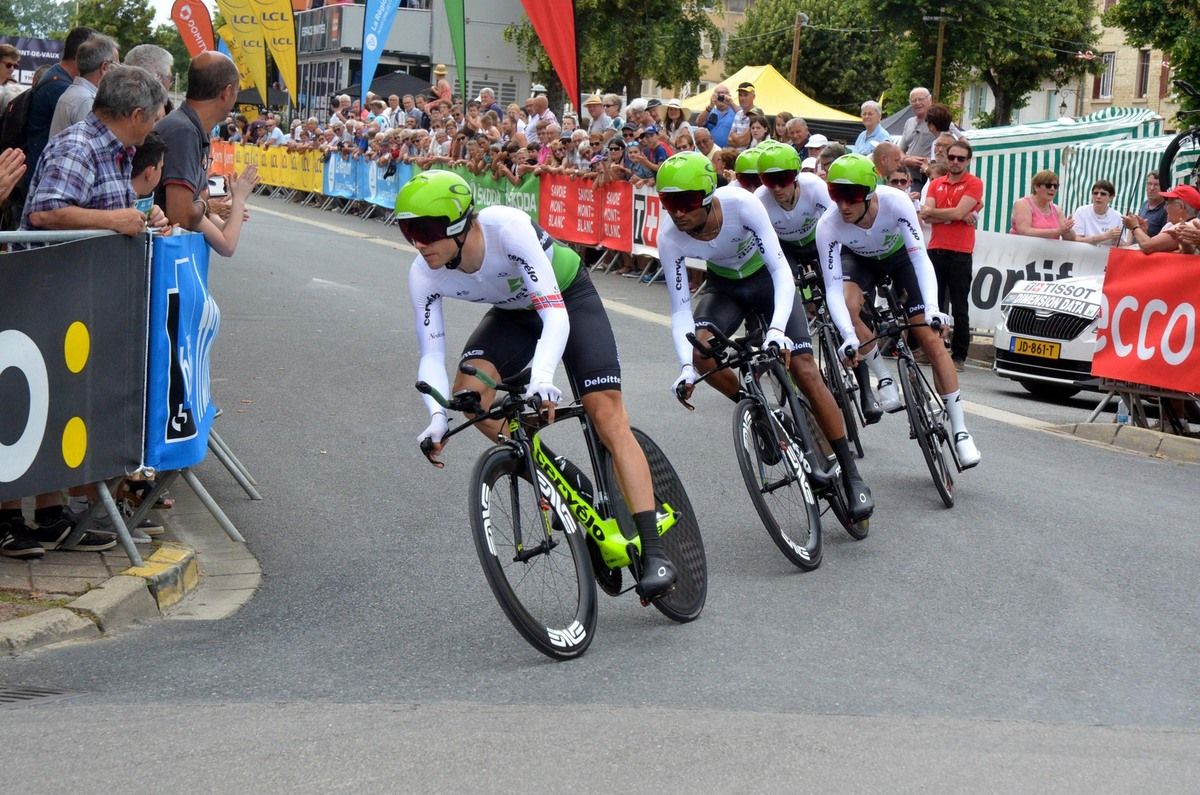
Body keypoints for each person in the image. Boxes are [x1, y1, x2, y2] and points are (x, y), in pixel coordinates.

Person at [395, 170, 678, 598]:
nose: (418, 243)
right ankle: (557, 476)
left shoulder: (507, 228)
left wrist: (543, 379)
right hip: (514, 315)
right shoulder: (424, 273)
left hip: (566, 298)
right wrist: (436, 418)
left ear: (458, 223)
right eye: (407, 231)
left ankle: (654, 552)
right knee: (471, 398)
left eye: (426, 231)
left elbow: (555, 314)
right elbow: (431, 355)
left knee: (606, 414)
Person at [654, 152, 874, 520]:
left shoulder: (743, 205)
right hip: (725, 288)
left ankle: (851, 474)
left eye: (686, 202)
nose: (677, 213)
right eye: (668, 203)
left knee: (804, 369)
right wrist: (684, 369)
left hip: (769, 281)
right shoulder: (670, 236)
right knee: (699, 352)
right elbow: (679, 311)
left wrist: (777, 330)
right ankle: (757, 411)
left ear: (708, 196)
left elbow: (779, 269)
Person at [815, 153, 981, 468]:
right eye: (837, 197)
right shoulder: (829, 224)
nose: (844, 206)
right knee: (849, 307)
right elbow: (833, 287)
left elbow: (920, 259)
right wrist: (848, 336)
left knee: (929, 338)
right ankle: (883, 377)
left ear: (869, 194)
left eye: (851, 198)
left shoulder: (895, 202)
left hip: (901, 258)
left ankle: (960, 431)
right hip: (859, 260)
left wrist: (932, 308)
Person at [155, 52, 240, 230]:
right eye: (236, 92)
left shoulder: (192, 127)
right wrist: (205, 203)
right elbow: (181, 218)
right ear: (227, 92)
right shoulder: (183, 131)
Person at [919, 140, 983, 371]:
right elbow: (927, 216)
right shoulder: (937, 183)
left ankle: (959, 356)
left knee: (959, 306)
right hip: (937, 248)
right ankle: (933, 348)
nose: (955, 162)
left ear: (967, 161)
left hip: (960, 252)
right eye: (952, 157)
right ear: (946, 157)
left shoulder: (974, 183)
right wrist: (954, 216)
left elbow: (950, 211)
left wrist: (946, 214)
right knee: (934, 303)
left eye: (961, 159)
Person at [753, 144, 831, 280]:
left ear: (796, 176)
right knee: (787, 281)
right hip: (785, 247)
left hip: (816, 240)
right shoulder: (759, 199)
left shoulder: (816, 187)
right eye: (769, 181)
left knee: (829, 280)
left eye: (783, 179)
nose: (777, 188)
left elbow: (834, 226)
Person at [49, 35, 119, 137]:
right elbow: (93, 142)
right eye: (117, 65)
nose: (119, 71)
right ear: (104, 67)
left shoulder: (77, 93)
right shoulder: (87, 100)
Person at [1123, 184, 1200, 253]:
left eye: (1168, 203)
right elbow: (1154, 247)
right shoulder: (1186, 224)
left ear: (1180, 206)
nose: (1165, 207)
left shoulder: (1186, 225)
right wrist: (1143, 231)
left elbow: (1148, 246)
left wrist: (1135, 227)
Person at [1009, 170, 1074, 240]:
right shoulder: (1023, 204)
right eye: (1048, 185)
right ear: (1036, 187)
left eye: (1055, 186)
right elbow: (1024, 231)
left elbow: (1070, 239)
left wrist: (1067, 229)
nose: (1052, 189)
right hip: (1023, 249)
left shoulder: (1057, 209)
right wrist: (1057, 231)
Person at [898, 86, 934, 191]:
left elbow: (946, 147)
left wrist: (928, 161)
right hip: (909, 178)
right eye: (914, 100)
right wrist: (906, 160)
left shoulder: (938, 121)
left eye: (921, 99)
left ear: (930, 99)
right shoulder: (909, 122)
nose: (917, 103)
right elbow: (900, 150)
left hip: (929, 177)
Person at [1071, 179, 1123, 247]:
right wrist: (1104, 236)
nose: (1098, 196)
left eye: (1103, 194)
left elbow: (1122, 245)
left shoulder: (1118, 217)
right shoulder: (1081, 211)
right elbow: (1075, 240)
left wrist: (1117, 240)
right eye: (1095, 193)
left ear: (1111, 197)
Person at [727, 82, 762, 149]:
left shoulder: (757, 113)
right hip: (739, 156)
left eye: (746, 95)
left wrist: (736, 138)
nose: (742, 98)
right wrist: (739, 139)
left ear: (753, 96)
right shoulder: (738, 114)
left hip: (752, 156)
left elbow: (745, 141)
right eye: (740, 95)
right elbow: (729, 140)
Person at [1136, 171, 1167, 236]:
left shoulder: (1166, 209)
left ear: (1163, 187)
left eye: (1156, 185)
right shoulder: (1145, 204)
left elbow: (1161, 242)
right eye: (1149, 184)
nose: (1152, 188)